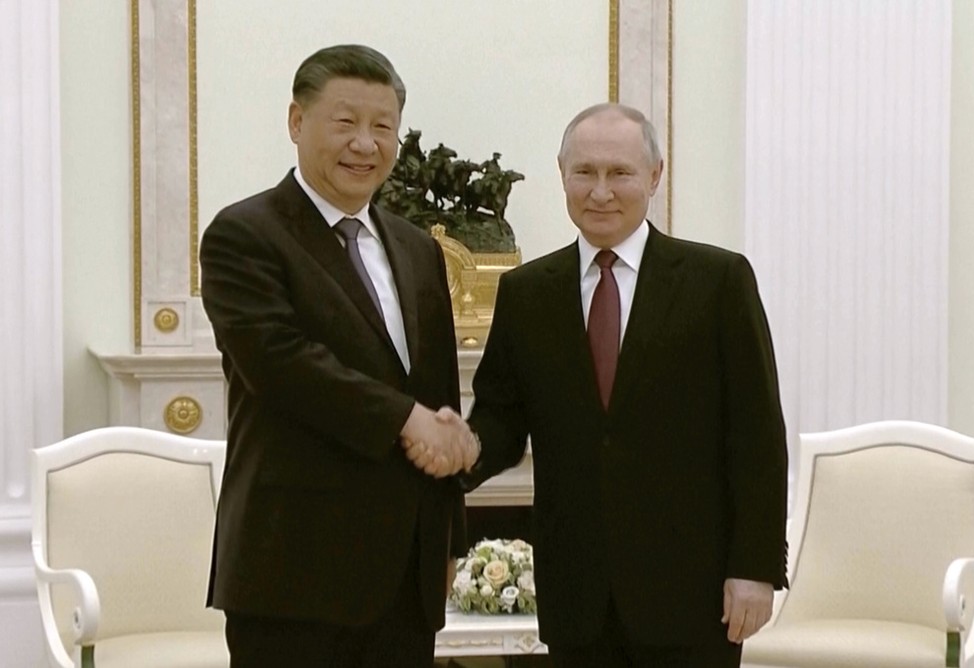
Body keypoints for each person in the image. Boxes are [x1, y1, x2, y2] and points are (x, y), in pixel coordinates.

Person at [406, 103, 788, 667]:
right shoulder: (526, 292)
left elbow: (756, 436)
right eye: (584, 172)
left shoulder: (718, 282)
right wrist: (464, 444)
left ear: (654, 176)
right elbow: (503, 419)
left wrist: (754, 568)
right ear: (562, 174)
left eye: (619, 173)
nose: (601, 191)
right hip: (577, 596)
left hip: (692, 594)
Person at [199, 44, 479, 667]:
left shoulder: (418, 249)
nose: (365, 144)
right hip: (292, 578)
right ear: (297, 122)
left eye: (383, 127)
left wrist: (447, 541)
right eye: (345, 122)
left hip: (405, 584)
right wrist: (405, 419)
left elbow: (438, 399)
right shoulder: (244, 234)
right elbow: (280, 364)